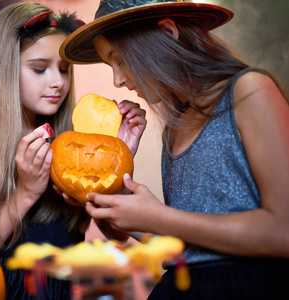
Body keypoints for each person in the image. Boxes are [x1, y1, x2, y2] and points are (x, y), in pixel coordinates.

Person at [59, 0, 289, 299]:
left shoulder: (250, 90)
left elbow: (283, 231)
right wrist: (112, 191)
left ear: (167, 33)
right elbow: (181, 244)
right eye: (109, 65)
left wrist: (158, 217)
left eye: (121, 60)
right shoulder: (175, 127)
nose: (118, 80)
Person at [0, 2, 143, 299]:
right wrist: (26, 192)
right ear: (3, 70)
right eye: (40, 69)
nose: (57, 83)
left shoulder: (73, 140)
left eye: (64, 70)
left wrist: (119, 161)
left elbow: (117, 234)